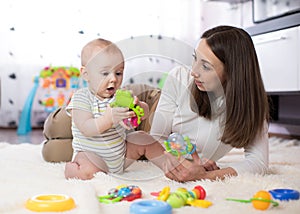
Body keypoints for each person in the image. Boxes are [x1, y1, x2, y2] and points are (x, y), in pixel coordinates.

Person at [150, 25, 270, 182]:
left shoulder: (251, 104)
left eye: (205, 66)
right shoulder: (180, 77)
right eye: (195, 58)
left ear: (232, 72)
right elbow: (155, 139)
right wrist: (185, 161)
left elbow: (258, 161)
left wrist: (206, 175)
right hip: (146, 107)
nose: (194, 71)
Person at [62, 38, 167, 180]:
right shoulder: (81, 98)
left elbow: (144, 114)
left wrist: (138, 107)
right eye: (105, 73)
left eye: (118, 73)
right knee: (86, 172)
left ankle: (170, 166)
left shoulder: (120, 96)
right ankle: (73, 169)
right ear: (86, 74)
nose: (113, 79)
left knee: (143, 138)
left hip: (121, 156)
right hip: (93, 157)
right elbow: (86, 128)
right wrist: (108, 119)